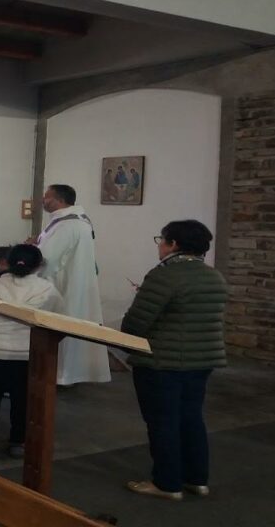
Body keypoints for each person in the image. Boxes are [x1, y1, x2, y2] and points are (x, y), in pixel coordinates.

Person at [121, 220, 227, 501]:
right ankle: (196, 479)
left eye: (162, 239)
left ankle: (167, 483)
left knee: (162, 422)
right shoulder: (212, 275)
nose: (160, 245)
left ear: (174, 244)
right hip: (202, 360)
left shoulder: (165, 275)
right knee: (191, 418)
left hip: (162, 363)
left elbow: (136, 323)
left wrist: (137, 307)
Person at [0, 244, 63, 457]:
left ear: (8, 263)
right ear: (38, 266)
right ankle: (18, 441)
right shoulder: (48, 291)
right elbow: (56, 321)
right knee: (23, 400)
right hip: (29, 353)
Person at [35, 184, 111, 385]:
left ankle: (61, 374)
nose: (44, 200)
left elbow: (48, 259)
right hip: (74, 282)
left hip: (63, 286)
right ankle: (66, 373)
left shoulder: (67, 225)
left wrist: (29, 271)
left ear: (60, 200)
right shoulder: (76, 221)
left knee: (62, 325)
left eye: (47, 197)